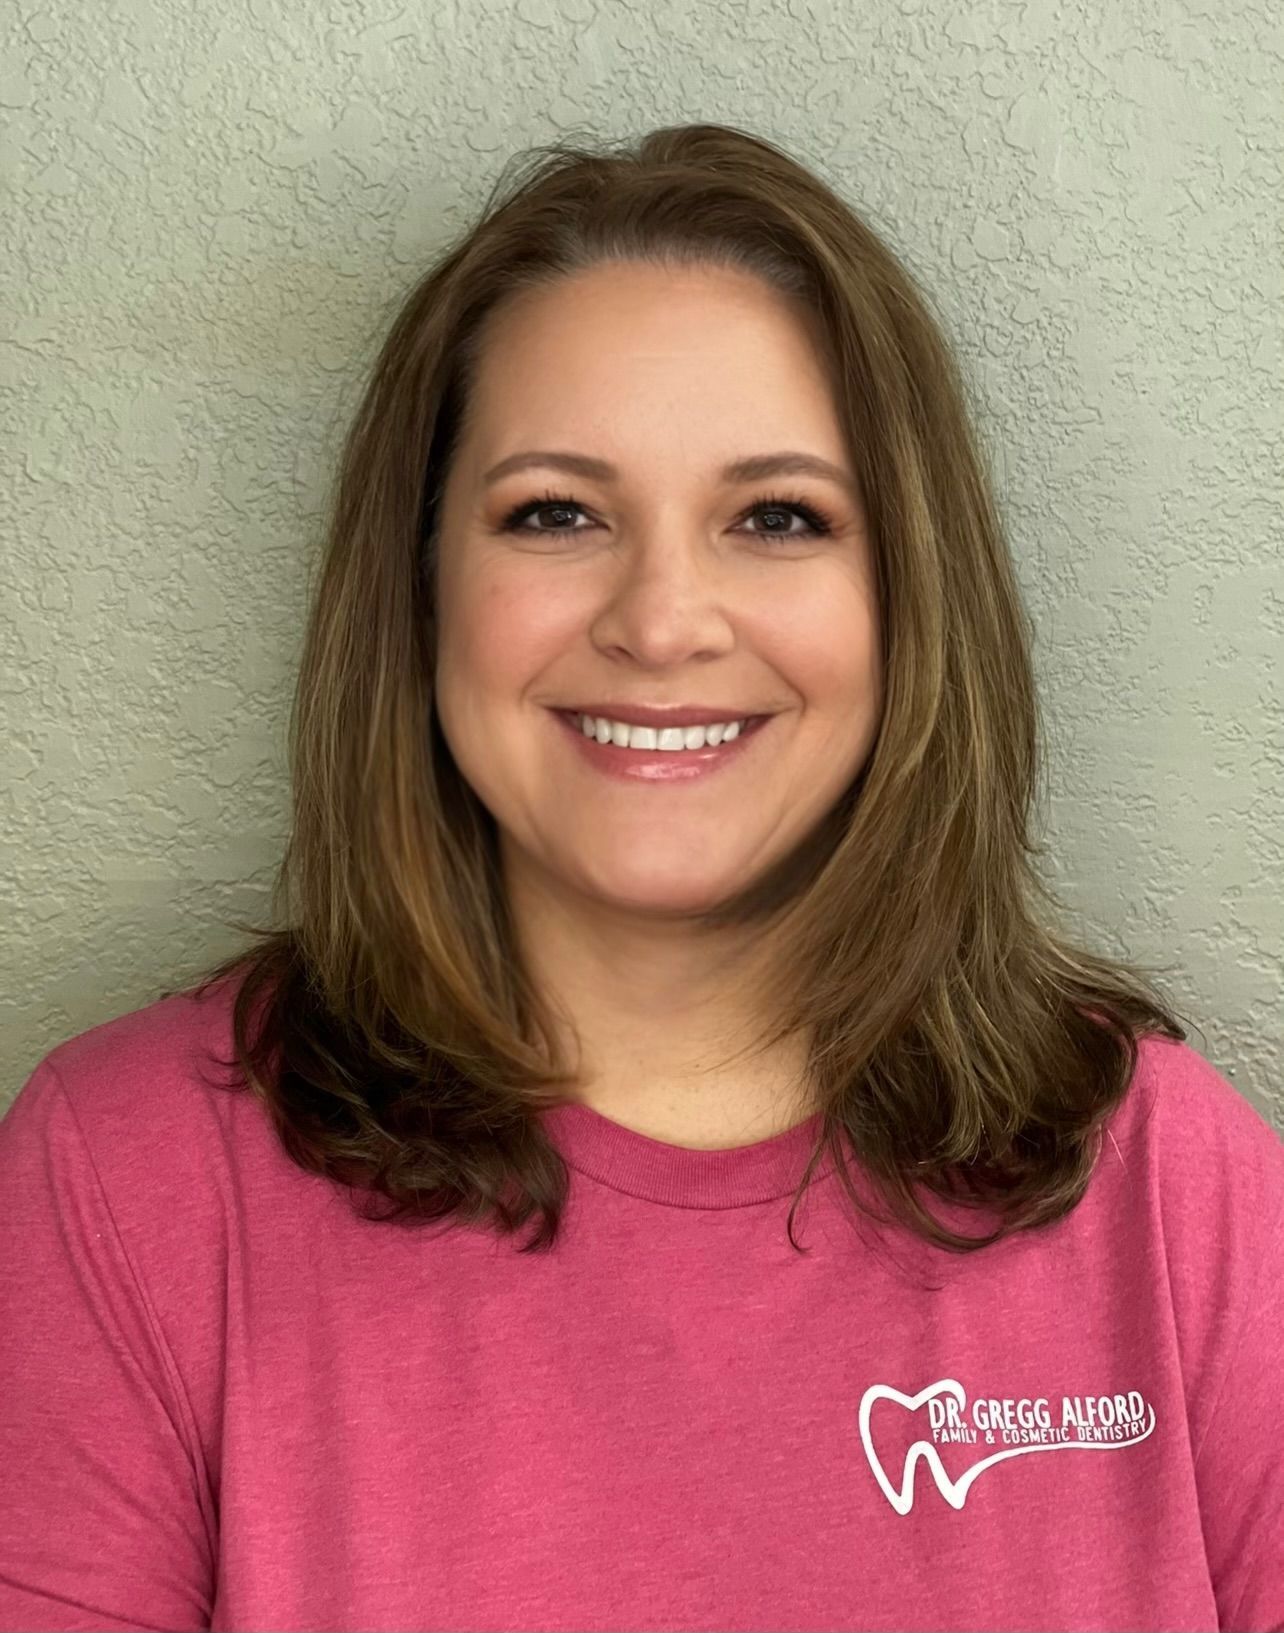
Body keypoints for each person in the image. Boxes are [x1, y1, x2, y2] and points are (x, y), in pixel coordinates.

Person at [1, 121, 1280, 1633]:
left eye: (777, 517)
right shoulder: (128, 1183)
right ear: (417, 592)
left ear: (908, 600)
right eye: (556, 512)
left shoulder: (1168, 1180)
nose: (663, 621)